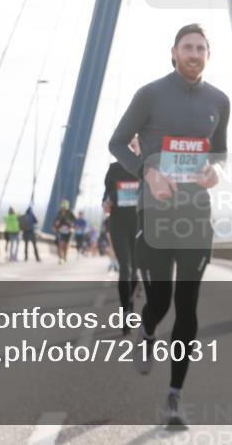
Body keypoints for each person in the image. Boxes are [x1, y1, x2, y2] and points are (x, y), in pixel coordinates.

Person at [109, 23, 229, 428]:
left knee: (187, 305)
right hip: (155, 214)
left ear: (208, 55)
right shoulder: (150, 94)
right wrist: (148, 172)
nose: (194, 54)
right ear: (174, 52)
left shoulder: (219, 100)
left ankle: (174, 397)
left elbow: (220, 153)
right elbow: (117, 142)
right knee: (159, 301)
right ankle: (146, 331)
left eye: (200, 48)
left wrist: (215, 171)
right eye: (187, 47)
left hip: (196, 214)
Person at [102, 135, 142, 332]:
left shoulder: (147, 167)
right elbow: (107, 193)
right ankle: (125, 312)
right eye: (129, 145)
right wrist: (106, 202)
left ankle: (130, 304)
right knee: (125, 269)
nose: (132, 149)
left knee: (135, 272)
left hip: (139, 224)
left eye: (135, 145)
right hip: (118, 222)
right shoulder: (114, 169)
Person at [53, 199, 75, 264]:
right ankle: (61, 258)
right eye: (62, 208)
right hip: (61, 231)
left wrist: (71, 226)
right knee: (60, 244)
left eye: (64, 208)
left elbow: (75, 221)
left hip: (68, 231)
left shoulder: (70, 213)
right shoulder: (59, 212)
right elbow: (56, 220)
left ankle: (65, 257)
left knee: (66, 246)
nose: (63, 210)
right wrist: (55, 225)